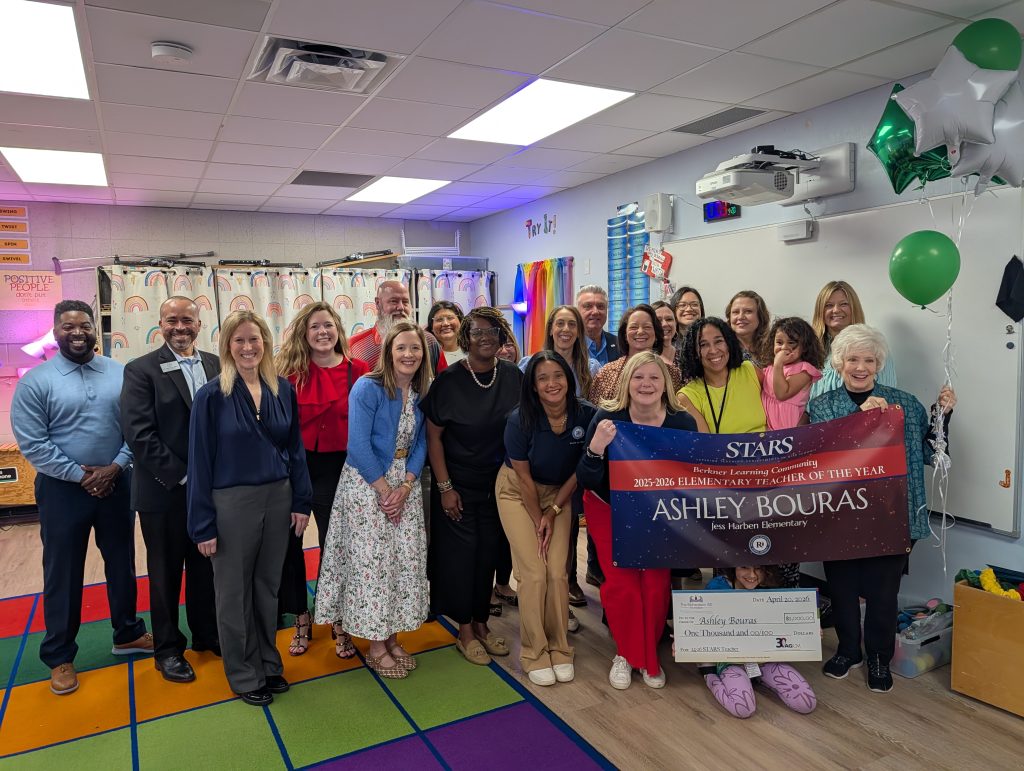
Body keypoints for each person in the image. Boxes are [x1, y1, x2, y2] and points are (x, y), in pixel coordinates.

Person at [13, 300, 152, 696]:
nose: (77, 332)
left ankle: (127, 633)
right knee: (63, 572)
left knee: (122, 563)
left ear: (95, 329)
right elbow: (33, 443)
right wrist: (80, 475)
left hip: (117, 482)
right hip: (62, 491)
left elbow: (135, 427)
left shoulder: (120, 373)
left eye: (84, 325)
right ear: (55, 332)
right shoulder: (36, 381)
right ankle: (59, 655)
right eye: (68, 326)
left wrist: (115, 467)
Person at [808, 324, 955, 694]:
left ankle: (877, 656)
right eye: (853, 359)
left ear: (878, 364)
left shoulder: (904, 403)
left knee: (882, 592)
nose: (861, 367)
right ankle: (847, 651)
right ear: (840, 363)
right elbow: (823, 458)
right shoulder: (822, 406)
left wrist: (942, 414)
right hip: (840, 515)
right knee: (841, 589)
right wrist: (866, 422)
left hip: (895, 515)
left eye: (869, 360)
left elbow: (929, 453)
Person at [188, 310, 313, 707]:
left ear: (266, 343)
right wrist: (202, 524)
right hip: (231, 503)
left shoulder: (282, 389)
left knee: (266, 587)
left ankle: (268, 663)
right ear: (227, 345)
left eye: (254, 339)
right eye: (239, 340)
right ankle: (244, 674)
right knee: (233, 592)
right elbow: (199, 462)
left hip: (278, 497)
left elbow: (295, 450)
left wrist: (301, 501)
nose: (248, 347)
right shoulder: (211, 396)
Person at [315, 321, 430, 679]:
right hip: (368, 487)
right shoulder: (368, 388)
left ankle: (393, 637)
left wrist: (407, 486)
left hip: (404, 487)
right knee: (374, 566)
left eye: (415, 348)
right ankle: (376, 645)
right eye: (401, 348)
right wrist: (385, 492)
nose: (408, 355)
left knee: (401, 564)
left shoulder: (422, 392)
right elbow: (358, 446)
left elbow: (423, 442)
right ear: (388, 352)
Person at [577, 352, 699, 690]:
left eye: (654, 378)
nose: (646, 384)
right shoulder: (608, 417)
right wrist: (597, 447)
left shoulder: (681, 422)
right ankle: (627, 655)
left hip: (658, 514)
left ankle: (648, 657)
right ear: (626, 382)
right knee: (622, 585)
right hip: (609, 509)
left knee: (656, 586)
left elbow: (691, 476)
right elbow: (586, 476)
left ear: (665, 385)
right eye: (638, 377)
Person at [121, 296, 219, 684]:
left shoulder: (216, 363)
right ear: (159, 324)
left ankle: (206, 634)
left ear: (199, 323)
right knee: (164, 574)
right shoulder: (140, 370)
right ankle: (166, 649)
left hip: (210, 492)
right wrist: (185, 477)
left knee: (205, 567)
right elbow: (139, 435)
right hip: (164, 493)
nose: (180, 327)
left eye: (187, 321)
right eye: (171, 320)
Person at [420, 307, 524, 666]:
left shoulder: (513, 376)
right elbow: (433, 437)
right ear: (465, 338)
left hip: (499, 485)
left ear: (502, 336)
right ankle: (463, 629)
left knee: (487, 555)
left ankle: (482, 623)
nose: (485, 337)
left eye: (492, 331)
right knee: (461, 559)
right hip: (457, 485)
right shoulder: (448, 381)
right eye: (477, 332)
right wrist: (445, 487)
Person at [275, 301, 369, 658]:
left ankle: (339, 620)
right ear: (305, 333)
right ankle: (301, 617)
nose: (322, 332)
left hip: (341, 471)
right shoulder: (289, 375)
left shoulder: (358, 371)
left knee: (336, 549)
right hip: (296, 470)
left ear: (338, 330)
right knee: (290, 549)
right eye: (315, 326)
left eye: (328, 325)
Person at [498, 351, 595, 685]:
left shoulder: (586, 415)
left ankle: (559, 647)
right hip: (517, 493)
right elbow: (523, 480)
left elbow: (583, 468)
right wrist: (540, 516)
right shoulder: (519, 419)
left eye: (558, 375)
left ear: (568, 379)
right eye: (542, 378)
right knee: (534, 573)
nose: (552, 384)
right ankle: (534, 651)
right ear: (533, 386)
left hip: (560, 494)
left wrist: (554, 511)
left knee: (557, 572)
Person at [517, 305, 598, 612]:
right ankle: (544, 590)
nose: (565, 329)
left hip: (576, 459)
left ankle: (568, 580)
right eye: (559, 324)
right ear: (550, 328)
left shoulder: (590, 367)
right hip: (540, 460)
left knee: (569, 520)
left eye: (571, 325)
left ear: (578, 331)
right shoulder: (529, 363)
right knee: (543, 523)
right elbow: (521, 411)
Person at [699, 566, 817, 718]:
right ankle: (709, 675)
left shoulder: (771, 587)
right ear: (733, 566)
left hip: (766, 659)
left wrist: (809, 630)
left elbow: (789, 621)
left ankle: (758, 677)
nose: (752, 575)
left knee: (806, 703)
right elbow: (700, 622)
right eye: (744, 567)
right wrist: (687, 642)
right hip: (730, 660)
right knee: (743, 709)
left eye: (759, 569)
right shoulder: (717, 587)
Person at [676, 317, 767, 435]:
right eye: (703, 344)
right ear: (694, 353)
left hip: (771, 450)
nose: (713, 350)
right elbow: (707, 447)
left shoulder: (750, 371)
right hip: (722, 453)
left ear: (728, 343)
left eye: (718, 341)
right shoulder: (688, 396)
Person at [809, 280, 897, 400]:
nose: (835, 310)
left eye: (844, 304)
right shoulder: (810, 350)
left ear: (854, 308)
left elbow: (887, 395)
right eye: (828, 305)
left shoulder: (873, 345)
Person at [349, 280, 447, 373]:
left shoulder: (429, 341)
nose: (401, 307)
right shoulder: (355, 346)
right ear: (378, 303)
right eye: (394, 301)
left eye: (405, 302)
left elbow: (444, 383)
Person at [590, 304, 683, 403]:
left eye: (647, 327)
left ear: (656, 334)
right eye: (634, 327)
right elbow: (594, 414)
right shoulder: (606, 374)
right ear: (625, 335)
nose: (640, 331)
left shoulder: (672, 374)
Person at [761, 316, 824, 431]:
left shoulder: (804, 370)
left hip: (789, 428)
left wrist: (778, 364)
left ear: (804, 346)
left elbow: (782, 394)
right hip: (766, 429)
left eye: (791, 343)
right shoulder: (769, 369)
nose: (784, 348)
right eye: (779, 342)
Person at [577, 284, 621, 365]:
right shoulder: (569, 345)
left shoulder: (619, 344)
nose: (595, 312)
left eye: (600, 306)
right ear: (577, 311)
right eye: (588, 306)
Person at [725, 290, 771, 367]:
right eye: (736, 312)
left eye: (748, 311)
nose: (740, 317)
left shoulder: (773, 347)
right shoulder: (723, 349)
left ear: (761, 316)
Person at [427, 300, 466, 365]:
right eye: (439, 319)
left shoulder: (472, 351)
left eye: (450, 318)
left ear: (460, 321)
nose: (445, 323)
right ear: (431, 327)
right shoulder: (427, 355)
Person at [651, 300, 681, 371]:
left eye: (669, 319)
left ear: (675, 323)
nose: (664, 324)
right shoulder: (644, 357)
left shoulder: (684, 357)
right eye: (658, 320)